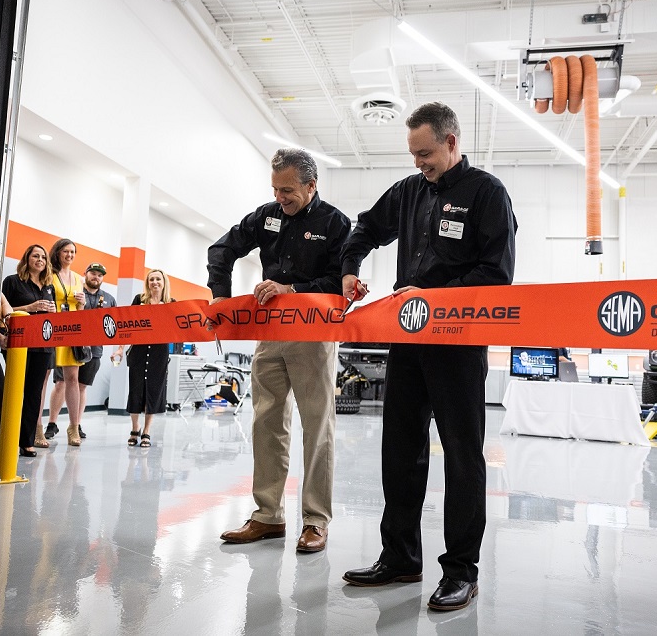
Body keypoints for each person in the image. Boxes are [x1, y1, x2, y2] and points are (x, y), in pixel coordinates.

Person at [339, 102, 517, 610]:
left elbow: (497, 274)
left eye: (426, 154)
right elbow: (365, 228)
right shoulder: (408, 191)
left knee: (462, 456)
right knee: (400, 451)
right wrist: (350, 267)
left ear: (451, 142)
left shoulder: (487, 193)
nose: (419, 163)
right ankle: (399, 557)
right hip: (407, 341)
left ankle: (461, 570)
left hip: (457, 346)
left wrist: (434, 297)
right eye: (413, 155)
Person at [207, 148, 351, 554]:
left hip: (314, 336)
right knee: (266, 422)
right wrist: (219, 296)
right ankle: (268, 515)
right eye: (275, 189)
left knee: (317, 427)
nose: (279, 197)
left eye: (287, 190)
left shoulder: (335, 223)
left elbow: (339, 281)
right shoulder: (266, 216)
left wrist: (294, 290)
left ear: (311, 185)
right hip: (269, 334)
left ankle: (316, 520)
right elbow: (221, 250)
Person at [44, 262, 117, 441]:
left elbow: (113, 324)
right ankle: (52, 423)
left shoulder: (109, 299)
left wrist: (119, 348)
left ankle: (75, 424)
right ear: (86, 274)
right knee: (61, 383)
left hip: (94, 350)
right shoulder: (74, 291)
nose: (96, 277)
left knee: (82, 386)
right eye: (93, 273)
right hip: (69, 345)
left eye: (100, 275)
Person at [1, 244, 57, 458]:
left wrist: (53, 312)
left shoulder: (49, 286)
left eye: (43, 257)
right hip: (19, 344)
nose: (40, 259)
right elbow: (2, 311)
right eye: (35, 256)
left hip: (43, 346)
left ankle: (27, 441)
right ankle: (7, 439)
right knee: (15, 391)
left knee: (34, 394)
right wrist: (29, 308)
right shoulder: (12, 282)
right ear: (27, 259)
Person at [111, 269, 172, 449]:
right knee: (136, 389)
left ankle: (146, 431)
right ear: (147, 283)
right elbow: (127, 325)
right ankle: (134, 428)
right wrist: (120, 348)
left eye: (158, 279)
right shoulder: (139, 300)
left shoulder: (171, 303)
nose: (155, 282)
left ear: (164, 282)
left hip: (159, 353)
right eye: (151, 279)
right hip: (138, 350)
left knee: (153, 390)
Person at [48, 238, 88, 447]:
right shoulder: (49, 274)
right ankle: (38, 427)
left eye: (72, 252)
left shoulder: (78, 278)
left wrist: (82, 303)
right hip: (52, 329)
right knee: (45, 378)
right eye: (66, 251)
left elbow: (80, 309)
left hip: (72, 330)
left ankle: (73, 426)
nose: (69, 255)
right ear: (57, 252)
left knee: (73, 378)